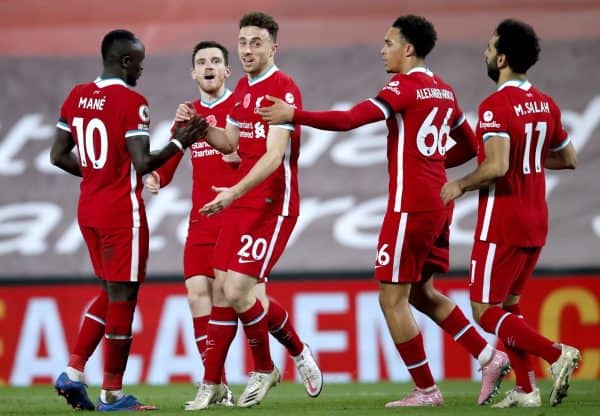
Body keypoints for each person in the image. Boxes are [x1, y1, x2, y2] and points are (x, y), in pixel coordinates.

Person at [258, 15, 512, 407]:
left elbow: (349, 120)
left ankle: (427, 391)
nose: (383, 49)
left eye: (389, 42)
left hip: (409, 207)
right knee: (422, 294)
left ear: (408, 49)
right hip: (438, 202)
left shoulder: (403, 87)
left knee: (390, 299)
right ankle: (488, 355)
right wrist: (432, 166)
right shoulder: (444, 91)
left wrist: (295, 116)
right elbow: (471, 145)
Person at [144, 40, 322, 410]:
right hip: (202, 216)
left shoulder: (240, 103)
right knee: (198, 295)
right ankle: (216, 384)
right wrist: (158, 177)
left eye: (215, 61)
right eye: (201, 62)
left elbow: (245, 152)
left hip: (241, 210)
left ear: (227, 71)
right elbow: (173, 155)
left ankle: (295, 350)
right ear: (192, 72)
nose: (208, 67)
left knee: (243, 297)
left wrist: (235, 159)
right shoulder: (189, 114)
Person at [50, 29, 206, 411]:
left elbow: (57, 155)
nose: (141, 68)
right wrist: (181, 141)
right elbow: (144, 162)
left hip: (88, 210)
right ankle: (112, 394)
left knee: (108, 292)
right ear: (124, 61)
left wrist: (95, 175)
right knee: (124, 299)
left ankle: (73, 371)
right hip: (122, 215)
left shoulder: (76, 95)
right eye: (138, 62)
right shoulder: (132, 102)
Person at [440, 19, 580, 408]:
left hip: (501, 220)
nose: (485, 53)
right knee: (509, 307)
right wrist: (530, 158)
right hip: (537, 218)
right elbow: (569, 158)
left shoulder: (495, 106)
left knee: (485, 311)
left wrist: (460, 184)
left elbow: (497, 166)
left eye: (489, 48)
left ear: (501, 58)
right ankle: (526, 389)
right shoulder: (545, 104)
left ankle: (557, 355)